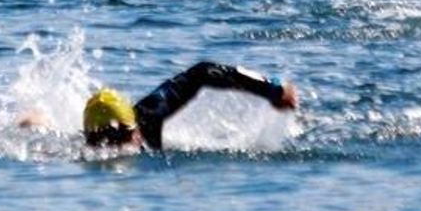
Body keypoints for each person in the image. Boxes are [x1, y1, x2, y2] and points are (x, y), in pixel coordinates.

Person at [81, 62, 299, 150]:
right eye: (102, 141)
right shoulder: (83, 150)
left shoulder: (148, 115)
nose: (115, 147)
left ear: (134, 128)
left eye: (121, 138)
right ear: (89, 139)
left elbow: (201, 72)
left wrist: (271, 88)